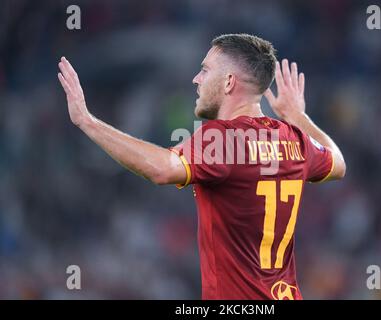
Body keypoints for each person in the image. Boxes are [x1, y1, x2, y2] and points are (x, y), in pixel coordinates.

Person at [57, 33, 346, 300]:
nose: (196, 79)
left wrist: (87, 121)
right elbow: (338, 162)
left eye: (205, 70)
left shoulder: (224, 137)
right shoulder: (295, 139)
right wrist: (297, 116)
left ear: (229, 82)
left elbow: (163, 169)